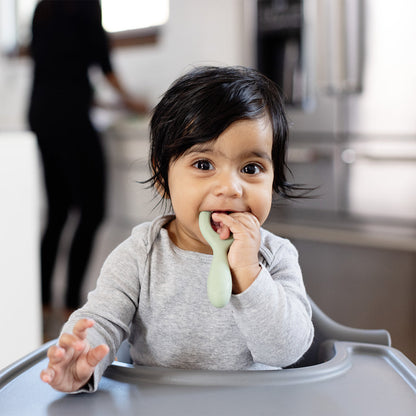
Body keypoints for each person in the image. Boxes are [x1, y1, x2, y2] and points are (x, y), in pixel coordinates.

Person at [40, 66, 314, 393]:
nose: (230, 187)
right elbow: (101, 322)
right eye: (203, 165)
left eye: (251, 168)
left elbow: (287, 351)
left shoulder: (275, 256)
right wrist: (81, 361)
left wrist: (248, 273)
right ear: (162, 178)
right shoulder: (141, 255)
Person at [27, 0, 147, 318]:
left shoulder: (43, 8)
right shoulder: (84, 5)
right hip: (71, 118)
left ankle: (41, 300)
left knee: (57, 212)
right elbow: (103, 64)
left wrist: (96, 101)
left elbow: (58, 68)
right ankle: (69, 301)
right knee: (92, 211)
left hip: (42, 114)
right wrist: (132, 102)